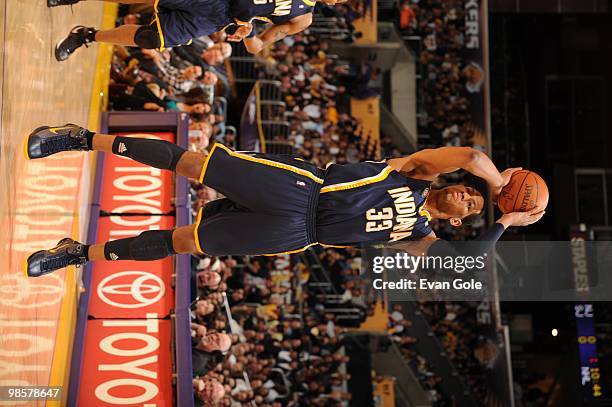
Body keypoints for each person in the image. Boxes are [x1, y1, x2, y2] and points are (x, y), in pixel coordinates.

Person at [24, 124, 545, 277]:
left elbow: (469, 261)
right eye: (470, 194)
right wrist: (499, 183)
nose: (467, 197)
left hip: (298, 235)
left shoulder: (419, 237)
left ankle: (78, 253)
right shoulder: (413, 171)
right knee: (191, 163)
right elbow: (474, 155)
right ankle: (78, 139)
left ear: (457, 220)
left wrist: (506, 219)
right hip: (302, 188)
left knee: (185, 242)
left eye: (472, 207)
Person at [51, 0, 345, 61]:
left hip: (221, 17)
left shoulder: (302, 19)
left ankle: (86, 35)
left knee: (153, 38)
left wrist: (248, 31)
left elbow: (258, 48)